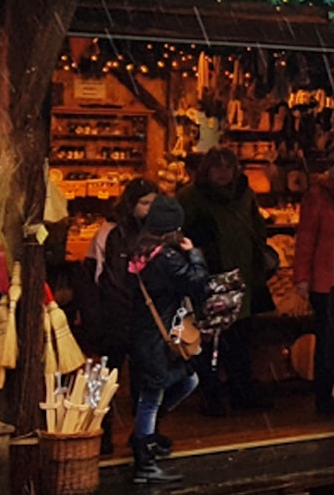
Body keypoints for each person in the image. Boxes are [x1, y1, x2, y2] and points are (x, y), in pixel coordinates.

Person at [177, 146, 271, 415]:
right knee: (210, 340)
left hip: (242, 278)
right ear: (207, 170)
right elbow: (178, 236)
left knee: (240, 340)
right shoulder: (191, 197)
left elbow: (257, 227)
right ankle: (211, 397)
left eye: (228, 167)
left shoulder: (245, 195)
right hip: (211, 279)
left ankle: (243, 394)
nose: (222, 173)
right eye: (217, 167)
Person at [126, 195, 209, 485]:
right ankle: (144, 461)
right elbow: (197, 283)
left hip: (144, 334)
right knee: (153, 395)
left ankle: (144, 433)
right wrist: (195, 254)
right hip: (158, 339)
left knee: (182, 382)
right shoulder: (167, 258)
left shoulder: (139, 252)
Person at [85, 179, 160, 455]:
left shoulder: (157, 234)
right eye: (144, 202)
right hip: (114, 316)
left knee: (146, 383)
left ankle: (142, 436)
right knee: (105, 381)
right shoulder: (108, 233)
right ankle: (99, 434)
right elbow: (91, 279)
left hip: (143, 318)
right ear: (131, 203)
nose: (149, 209)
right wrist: (94, 321)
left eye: (153, 203)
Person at [294, 151, 334, 415]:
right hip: (325, 281)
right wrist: (302, 278)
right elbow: (305, 240)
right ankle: (325, 396)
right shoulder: (318, 196)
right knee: (329, 341)